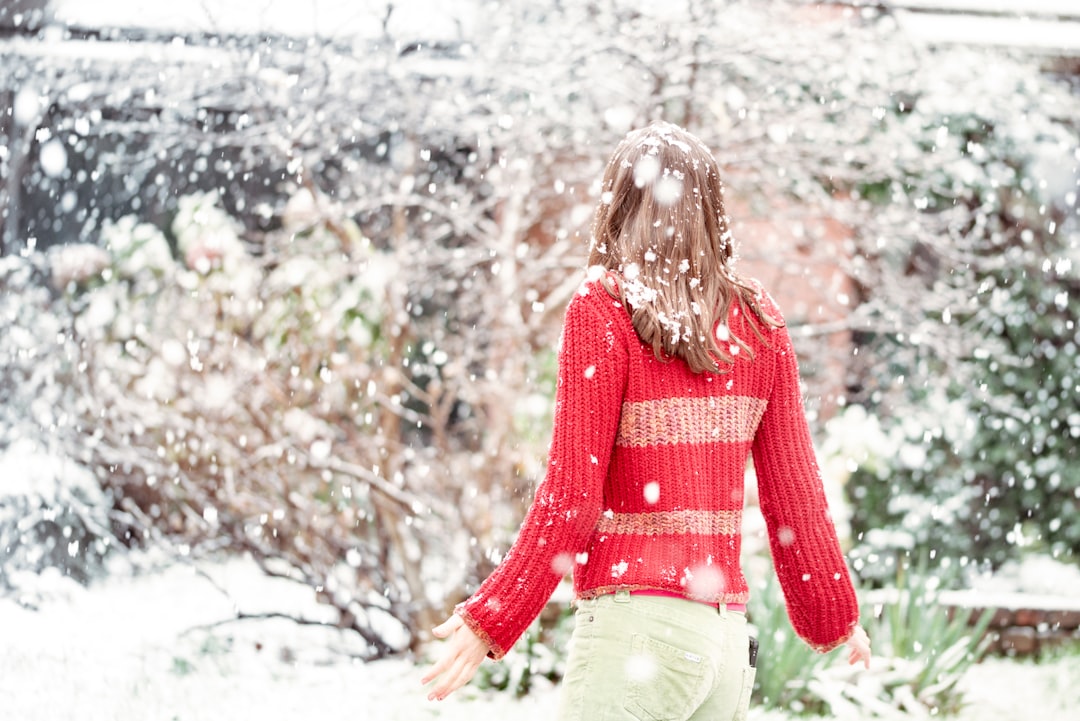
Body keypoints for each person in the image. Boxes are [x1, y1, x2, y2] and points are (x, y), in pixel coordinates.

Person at [422, 121, 872, 719]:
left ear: (618, 205)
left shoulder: (603, 309)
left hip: (639, 631)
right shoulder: (759, 320)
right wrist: (835, 616)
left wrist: (493, 617)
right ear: (712, 213)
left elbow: (571, 497)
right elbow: (795, 496)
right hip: (723, 642)